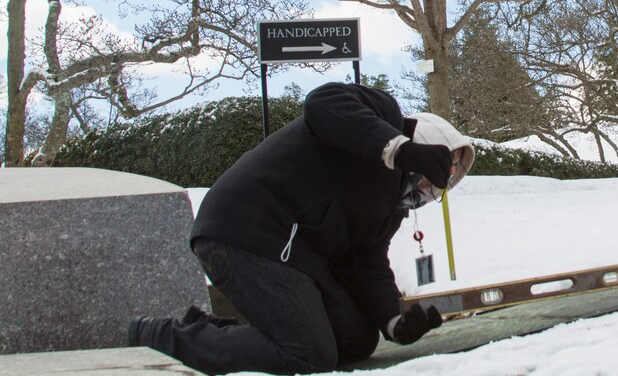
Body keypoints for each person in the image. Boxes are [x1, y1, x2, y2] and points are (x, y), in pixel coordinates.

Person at [128, 82, 475, 374]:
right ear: (425, 145)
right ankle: (159, 337)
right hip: (244, 229)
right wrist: (401, 151)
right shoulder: (382, 116)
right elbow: (322, 103)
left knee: (356, 339)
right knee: (308, 353)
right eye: (447, 163)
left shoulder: (389, 211)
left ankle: (213, 334)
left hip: (295, 257)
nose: (443, 179)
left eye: (452, 176)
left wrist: (395, 324)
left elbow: (367, 265)